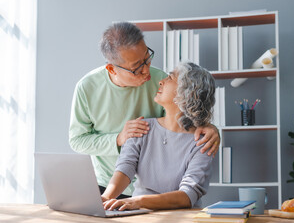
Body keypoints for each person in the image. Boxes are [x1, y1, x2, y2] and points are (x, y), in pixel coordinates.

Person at [69, 22, 219, 198]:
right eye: (137, 67)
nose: (147, 70)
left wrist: (209, 127)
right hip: (109, 184)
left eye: (147, 58)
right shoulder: (87, 88)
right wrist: (118, 139)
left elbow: (180, 119)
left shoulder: (158, 79)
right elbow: (78, 140)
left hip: (158, 191)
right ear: (111, 68)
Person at [102, 62, 215, 210]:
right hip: (139, 213)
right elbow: (125, 168)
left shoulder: (203, 141)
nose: (161, 81)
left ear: (189, 93)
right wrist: (105, 198)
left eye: (170, 78)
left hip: (181, 218)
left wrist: (139, 201)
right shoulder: (142, 127)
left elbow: (188, 195)